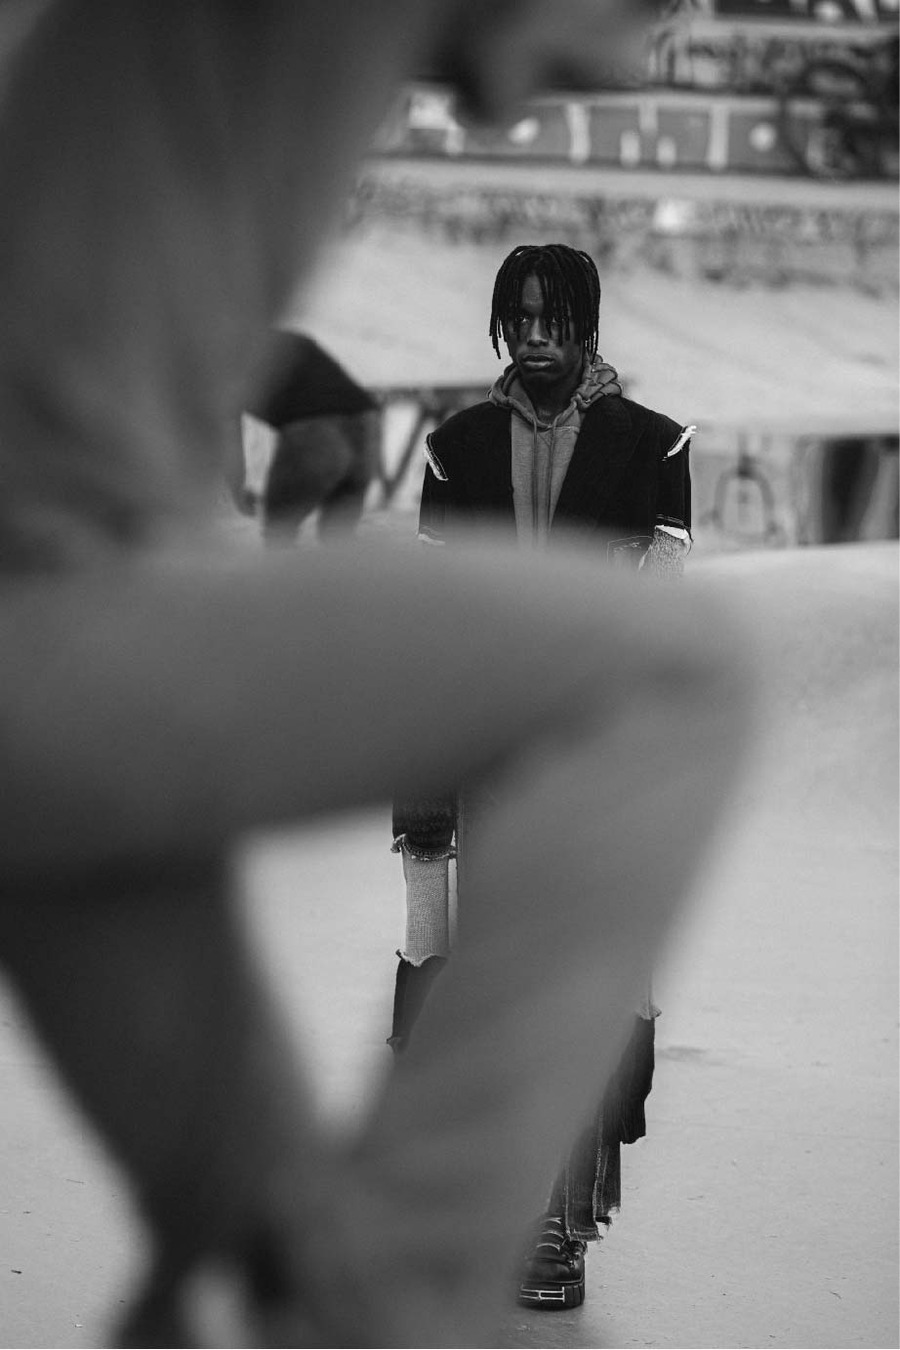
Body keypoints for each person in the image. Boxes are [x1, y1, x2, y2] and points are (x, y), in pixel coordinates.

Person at [0, 4, 750, 1346]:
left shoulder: (219, 106)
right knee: (676, 675)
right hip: (54, 616)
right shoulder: (290, 34)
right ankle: (427, 1272)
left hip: (74, 668)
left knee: (265, 1236)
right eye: (639, 8)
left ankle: (345, 1280)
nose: (617, 66)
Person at [390, 242, 695, 1310]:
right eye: (518, 318)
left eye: (553, 318)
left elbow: (657, 611)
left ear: (587, 324)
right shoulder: (455, 450)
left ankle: (559, 1226)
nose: (533, 336)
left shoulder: (654, 445)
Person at [234, 330, 381, 542]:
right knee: (338, 541)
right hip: (367, 423)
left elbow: (225, 431)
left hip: (314, 431)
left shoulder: (213, 355)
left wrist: (238, 488)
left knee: (279, 535)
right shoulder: (284, 338)